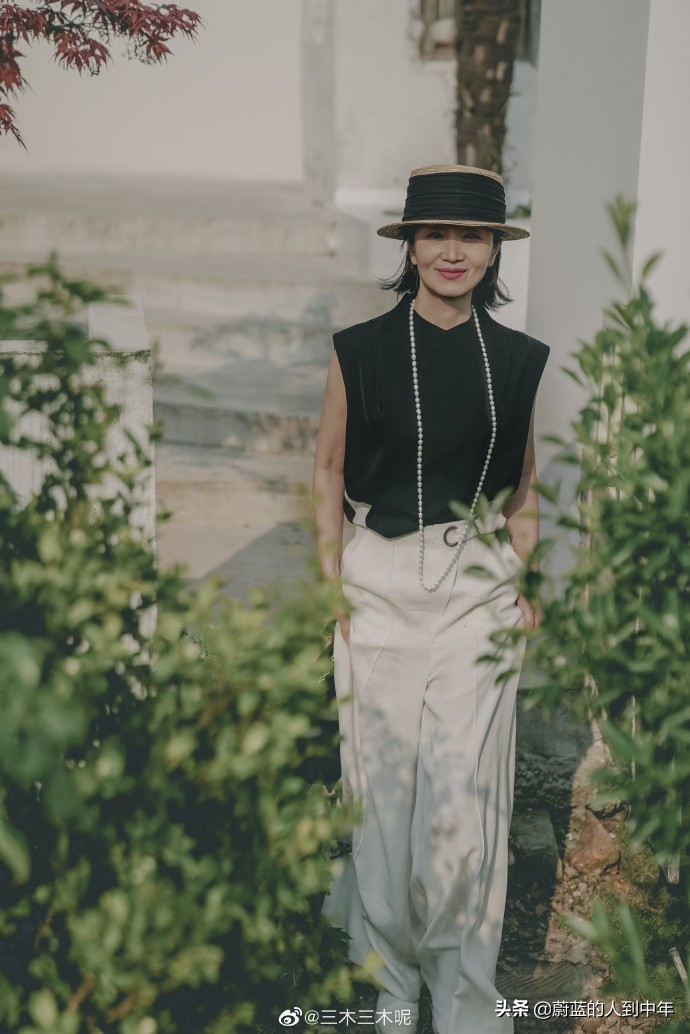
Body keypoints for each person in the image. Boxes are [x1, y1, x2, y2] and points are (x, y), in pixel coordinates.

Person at [312, 164, 550, 1034]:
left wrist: (527, 583)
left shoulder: (518, 361)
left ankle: (463, 1001)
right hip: (377, 587)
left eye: (472, 236)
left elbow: (524, 488)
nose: (454, 251)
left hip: (476, 595)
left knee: (462, 809)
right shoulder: (360, 350)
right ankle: (392, 987)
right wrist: (328, 586)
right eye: (436, 234)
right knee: (384, 803)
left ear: (493, 251)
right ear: (410, 246)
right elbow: (327, 468)